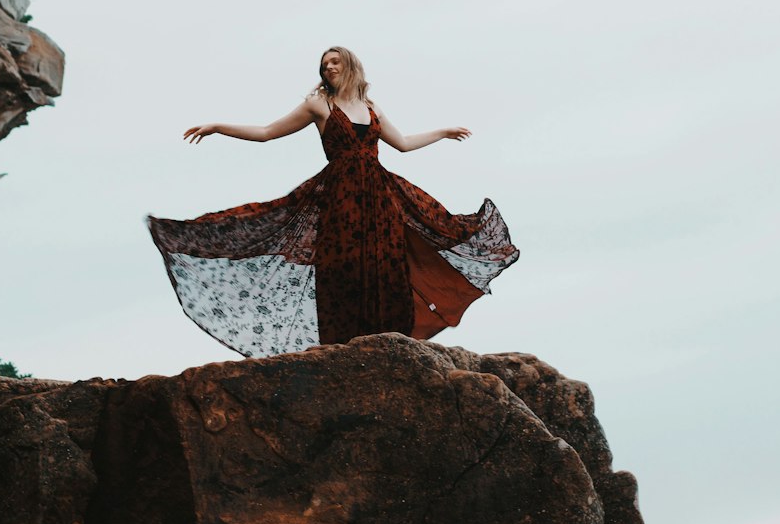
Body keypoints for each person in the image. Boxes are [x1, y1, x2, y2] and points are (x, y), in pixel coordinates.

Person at [147, 46, 519, 359]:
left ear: (351, 65)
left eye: (335, 61)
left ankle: (389, 347)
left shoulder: (371, 107)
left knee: (387, 268)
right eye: (324, 64)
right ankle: (344, 352)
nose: (329, 67)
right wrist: (217, 127)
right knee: (343, 270)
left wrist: (442, 131)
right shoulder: (318, 105)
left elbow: (402, 143)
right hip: (340, 201)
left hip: (379, 199)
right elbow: (265, 133)